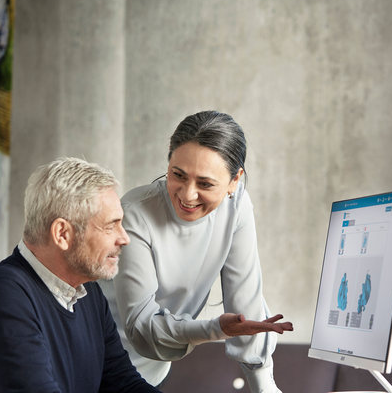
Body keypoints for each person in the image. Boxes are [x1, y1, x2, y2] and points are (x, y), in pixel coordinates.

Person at [114, 111, 294, 392]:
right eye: (178, 175)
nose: (187, 195)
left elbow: (245, 299)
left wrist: (263, 383)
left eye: (205, 184)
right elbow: (140, 327)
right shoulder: (135, 213)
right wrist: (217, 328)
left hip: (153, 373)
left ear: (235, 181)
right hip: (99, 364)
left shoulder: (237, 208)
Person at [0, 157, 161, 393]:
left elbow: (122, 383)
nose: (124, 238)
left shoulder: (88, 293)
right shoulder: (0, 293)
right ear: (62, 234)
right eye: (111, 225)